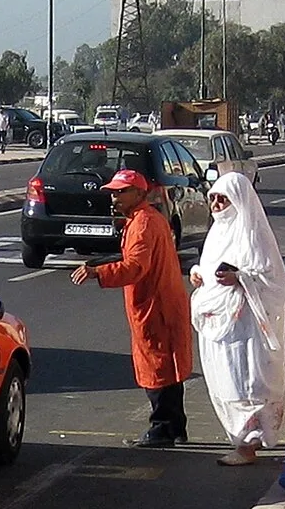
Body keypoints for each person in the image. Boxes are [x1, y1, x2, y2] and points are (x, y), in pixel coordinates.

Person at [71, 169, 193, 448]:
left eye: (121, 192)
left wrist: (97, 272)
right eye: (113, 192)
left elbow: (136, 267)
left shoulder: (143, 223)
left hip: (155, 305)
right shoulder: (146, 219)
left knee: (156, 365)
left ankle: (162, 427)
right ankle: (175, 427)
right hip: (162, 301)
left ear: (140, 194)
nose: (114, 197)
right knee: (167, 364)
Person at [188, 172, 285, 466]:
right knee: (224, 379)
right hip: (219, 323)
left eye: (224, 199)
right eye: (214, 199)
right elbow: (209, 268)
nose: (218, 205)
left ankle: (249, 444)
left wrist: (240, 278)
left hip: (246, 326)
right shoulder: (217, 233)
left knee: (246, 380)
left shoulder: (253, 234)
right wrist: (200, 273)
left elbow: (274, 278)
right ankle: (240, 440)